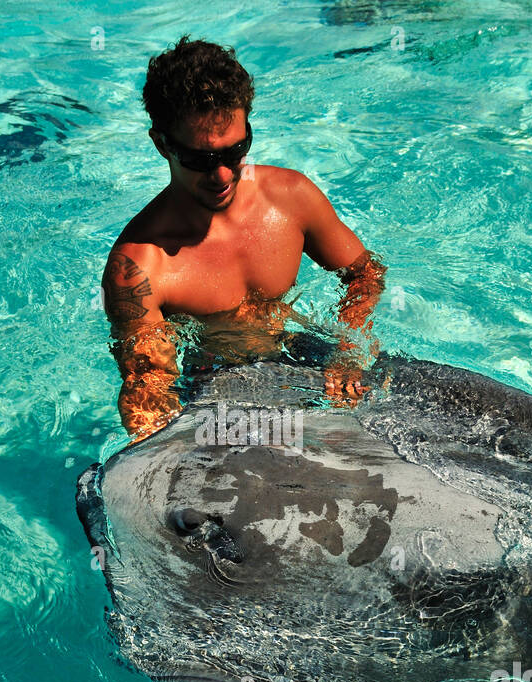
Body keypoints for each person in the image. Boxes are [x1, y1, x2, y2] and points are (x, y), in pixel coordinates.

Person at [102, 35, 387, 440]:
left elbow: (366, 274)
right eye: (201, 160)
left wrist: (349, 351)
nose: (222, 175)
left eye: (236, 151)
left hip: (307, 357)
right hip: (215, 395)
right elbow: (149, 391)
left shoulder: (290, 198)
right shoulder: (139, 267)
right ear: (161, 143)